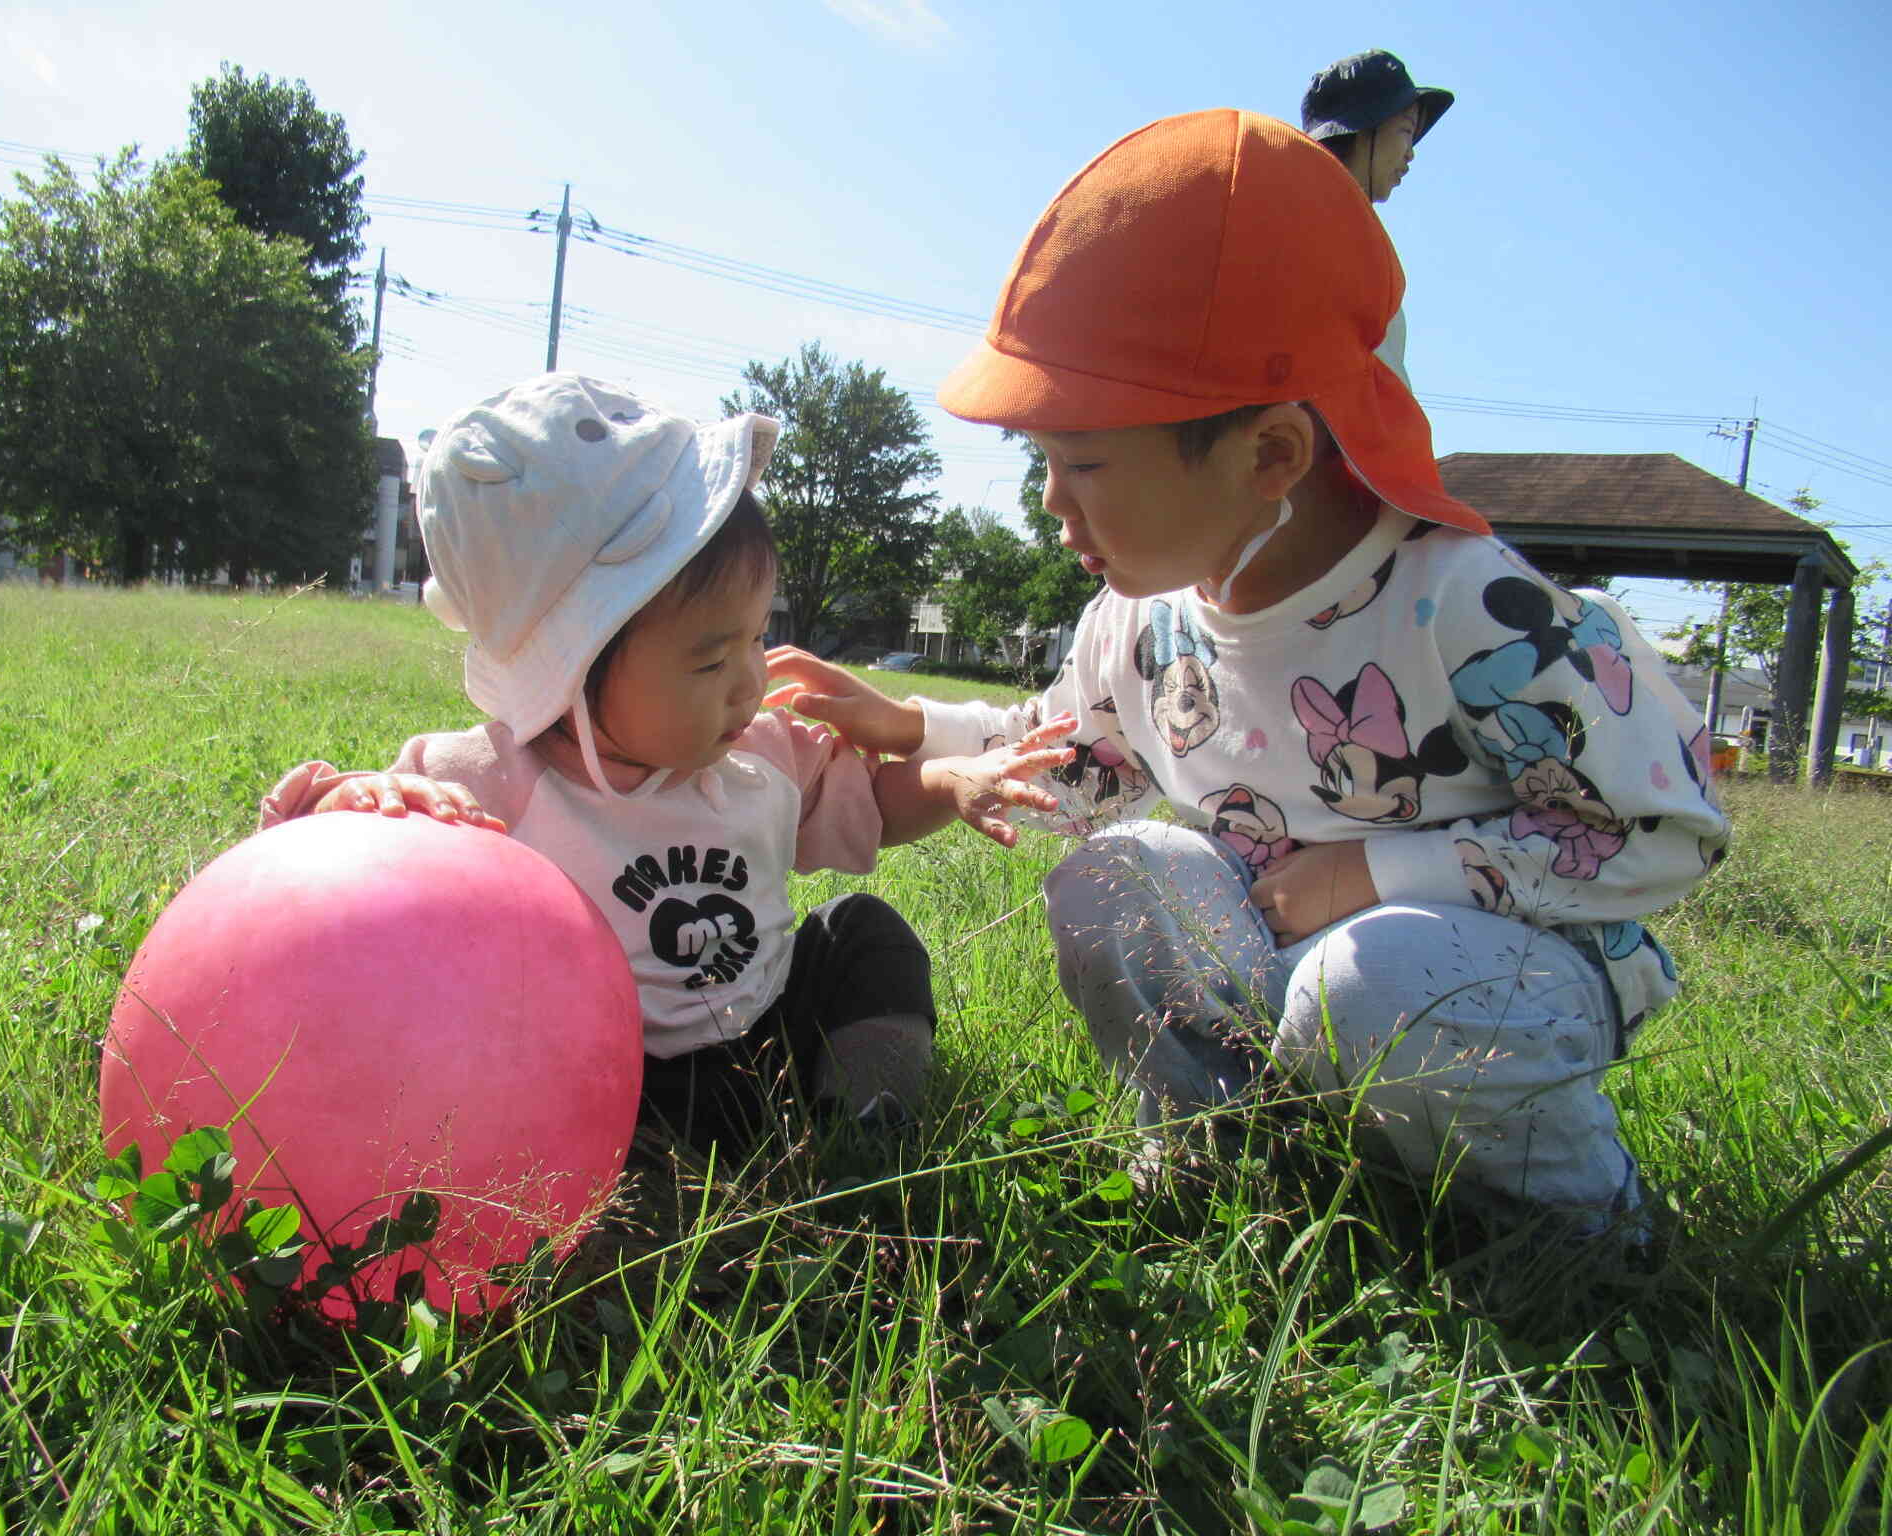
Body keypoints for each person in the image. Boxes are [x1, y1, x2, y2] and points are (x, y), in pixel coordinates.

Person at [767, 112, 1728, 1236]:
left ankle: (1579, 1227)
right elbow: (1069, 754)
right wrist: (906, 725)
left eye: (1079, 462)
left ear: (1269, 455)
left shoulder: (1469, 607)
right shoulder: (1140, 619)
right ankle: (1226, 1165)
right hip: (1291, 959)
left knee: (1363, 984)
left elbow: (1661, 828)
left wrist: (1373, 873)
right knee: (1119, 869)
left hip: (1485, 978)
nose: (1048, 504)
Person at [262, 374, 1069, 1157]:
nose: (753, 680)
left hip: (770, 1034)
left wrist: (952, 782)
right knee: (519, 1063)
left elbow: (878, 804)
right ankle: (637, 1192)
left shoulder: (763, 755)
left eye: (757, 636)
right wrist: (351, 802)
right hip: (612, 1077)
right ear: (572, 669)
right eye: (710, 661)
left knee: (865, 934)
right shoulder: (487, 778)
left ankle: (863, 1126)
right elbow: (347, 881)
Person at [1301, 48, 1453, 383]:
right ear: (1363, 129)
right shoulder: (1336, 240)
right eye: (1405, 131)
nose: (1411, 153)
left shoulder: (1301, 219)